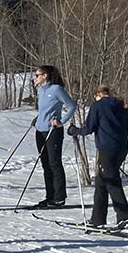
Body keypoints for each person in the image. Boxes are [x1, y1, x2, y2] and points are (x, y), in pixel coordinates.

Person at [67, 85, 128, 229]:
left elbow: (88, 128)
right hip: (121, 147)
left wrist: (74, 130)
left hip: (106, 148)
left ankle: (124, 216)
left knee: (111, 181)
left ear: (99, 94)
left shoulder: (99, 105)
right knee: (101, 182)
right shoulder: (122, 106)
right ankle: (97, 219)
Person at [32, 65, 76, 207]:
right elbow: (45, 110)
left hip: (53, 131)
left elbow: (72, 106)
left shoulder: (56, 89)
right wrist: (38, 119)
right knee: (45, 164)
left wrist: (61, 121)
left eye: (37, 75)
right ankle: (49, 196)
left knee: (54, 163)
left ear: (45, 76)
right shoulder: (40, 90)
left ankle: (59, 197)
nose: (35, 78)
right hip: (40, 130)